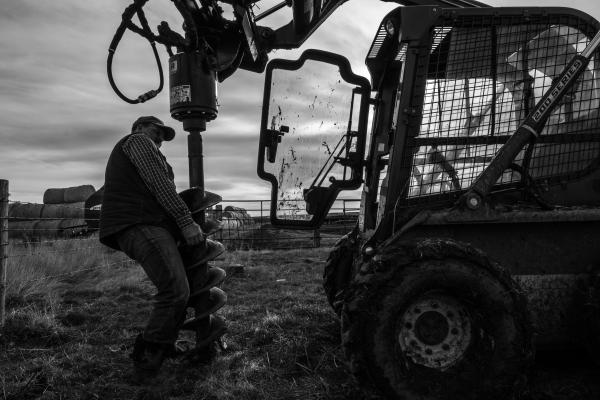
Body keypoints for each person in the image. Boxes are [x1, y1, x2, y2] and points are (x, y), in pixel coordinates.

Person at [99, 115, 224, 381]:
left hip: (144, 223)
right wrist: (185, 222)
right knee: (176, 290)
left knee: (181, 287)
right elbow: (159, 183)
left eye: (164, 136)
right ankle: (148, 356)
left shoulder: (139, 151)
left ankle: (164, 345)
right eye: (157, 131)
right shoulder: (137, 142)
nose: (160, 138)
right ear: (140, 127)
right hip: (139, 223)